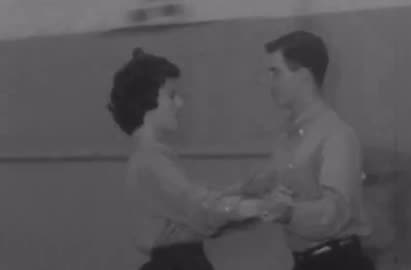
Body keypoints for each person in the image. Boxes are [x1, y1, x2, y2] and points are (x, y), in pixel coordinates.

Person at [107, 48, 289, 270]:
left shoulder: (147, 158)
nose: (180, 104)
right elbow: (201, 209)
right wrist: (261, 206)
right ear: (147, 100)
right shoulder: (151, 159)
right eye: (171, 95)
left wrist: (245, 191)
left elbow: (194, 209)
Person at [224, 30, 375, 270]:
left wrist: (286, 212)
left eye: (276, 73)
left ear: (303, 77)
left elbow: (334, 213)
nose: (269, 83)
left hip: (338, 263)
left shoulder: (337, 135)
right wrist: (211, 201)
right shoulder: (287, 137)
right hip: (307, 262)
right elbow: (261, 184)